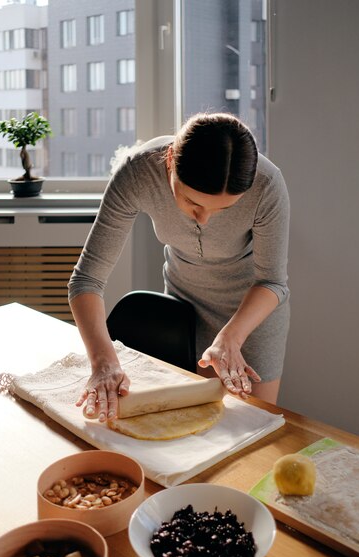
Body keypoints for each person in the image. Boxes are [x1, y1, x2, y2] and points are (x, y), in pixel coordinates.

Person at [68, 112, 290, 422]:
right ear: (170, 159)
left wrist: (231, 338)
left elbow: (272, 282)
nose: (204, 219)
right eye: (192, 203)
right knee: (185, 427)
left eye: (223, 209)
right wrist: (103, 361)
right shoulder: (138, 173)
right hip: (183, 307)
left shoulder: (266, 184)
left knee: (251, 427)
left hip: (251, 317)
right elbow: (86, 280)